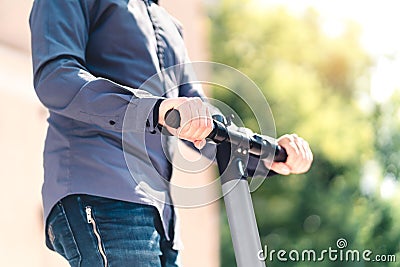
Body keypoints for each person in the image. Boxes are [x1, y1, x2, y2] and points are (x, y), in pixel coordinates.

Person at [29, 0, 313, 266]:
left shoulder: (168, 24)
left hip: (160, 215)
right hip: (99, 190)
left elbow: (203, 121)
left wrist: (265, 154)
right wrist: (155, 109)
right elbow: (57, 77)